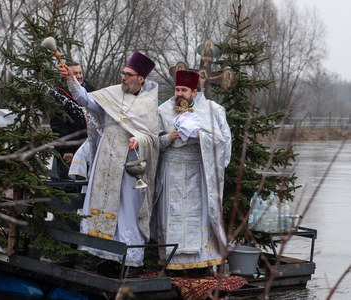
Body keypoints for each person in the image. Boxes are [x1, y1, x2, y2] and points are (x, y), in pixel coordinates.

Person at [58, 52, 159, 267]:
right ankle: (103, 255)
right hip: (105, 161)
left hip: (130, 165)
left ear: (140, 79)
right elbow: (86, 99)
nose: (123, 77)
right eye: (123, 73)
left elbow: (152, 137)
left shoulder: (147, 104)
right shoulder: (111, 94)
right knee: (101, 207)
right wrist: (71, 81)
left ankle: (127, 260)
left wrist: (138, 139)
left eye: (129, 74)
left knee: (126, 212)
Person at [153, 70, 232, 275]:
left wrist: (200, 136)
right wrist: (168, 137)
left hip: (198, 173)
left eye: (184, 90)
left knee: (199, 216)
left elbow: (224, 143)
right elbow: (153, 144)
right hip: (171, 172)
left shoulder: (211, 111)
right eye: (177, 89)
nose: (179, 93)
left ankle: (202, 264)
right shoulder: (163, 111)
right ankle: (172, 261)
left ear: (194, 92)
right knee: (172, 215)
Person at [50, 62, 95, 180]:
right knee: (69, 185)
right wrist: (67, 149)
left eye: (80, 72)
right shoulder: (59, 94)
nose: (79, 76)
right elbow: (58, 125)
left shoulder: (90, 90)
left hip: (88, 147)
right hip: (69, 149)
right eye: (75, 73)